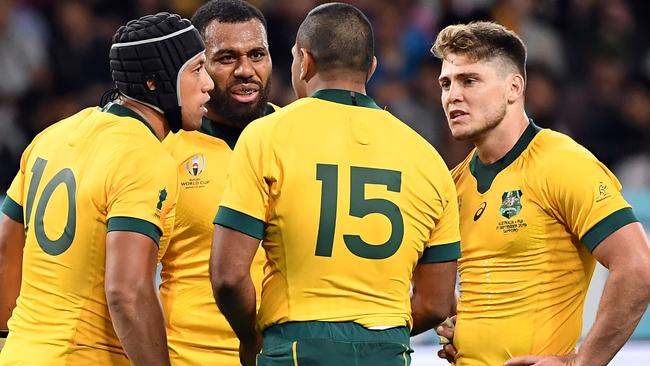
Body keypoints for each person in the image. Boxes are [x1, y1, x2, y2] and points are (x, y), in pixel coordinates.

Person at [210, 3, 460, 366]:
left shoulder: (266, 136)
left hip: (294, 348)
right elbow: (437, 302)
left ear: (305, 63)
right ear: (371, 68)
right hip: (389, 348)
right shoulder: (428, 158)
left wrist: (252, 339)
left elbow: (229, 276)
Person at [431, 21, 650, 366]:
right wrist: (469, 329)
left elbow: (638, 266)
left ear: (513, 87)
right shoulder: (453, 182)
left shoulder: (561, 162)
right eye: (446, 83)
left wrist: (581, 363)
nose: (452, 95)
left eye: (469, 80)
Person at [0, 12, 213, 365]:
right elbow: (126, 293)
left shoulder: (53, 135)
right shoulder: (144, 157)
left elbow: (6, 250)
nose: (208, 83)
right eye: (196, 69)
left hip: (21, 352)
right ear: (155, 82)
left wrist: (8, 336)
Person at [158, 1, 276, 365]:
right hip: (189, 357)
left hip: (284, 354)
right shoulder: (164, 148)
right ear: (200, 66)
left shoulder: (299, 136)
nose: (246, 70)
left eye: (257, 54)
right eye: (226, 58)